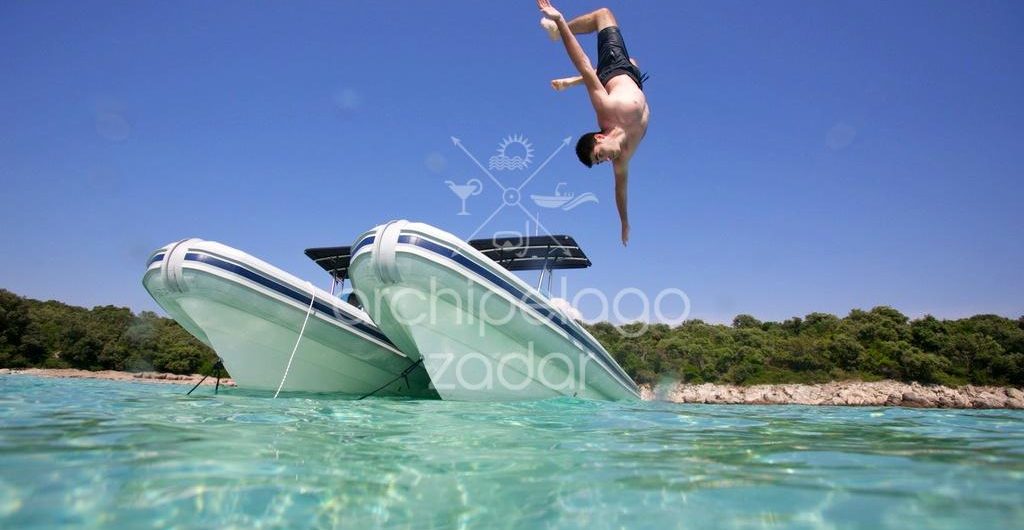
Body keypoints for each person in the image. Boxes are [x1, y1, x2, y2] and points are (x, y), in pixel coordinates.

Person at [537, 1, 650, 246]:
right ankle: (571, 82)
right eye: (601, 162)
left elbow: (584, 64)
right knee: (634, 61)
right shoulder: (624, 157)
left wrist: (559, 22)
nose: (607, 161)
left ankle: (559, 32)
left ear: (599, 137)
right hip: (633, 78)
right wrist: (624, 222)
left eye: (599, 156)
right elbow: (620, 191)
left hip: (615, 69)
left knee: (603, 15)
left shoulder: (606, 111)